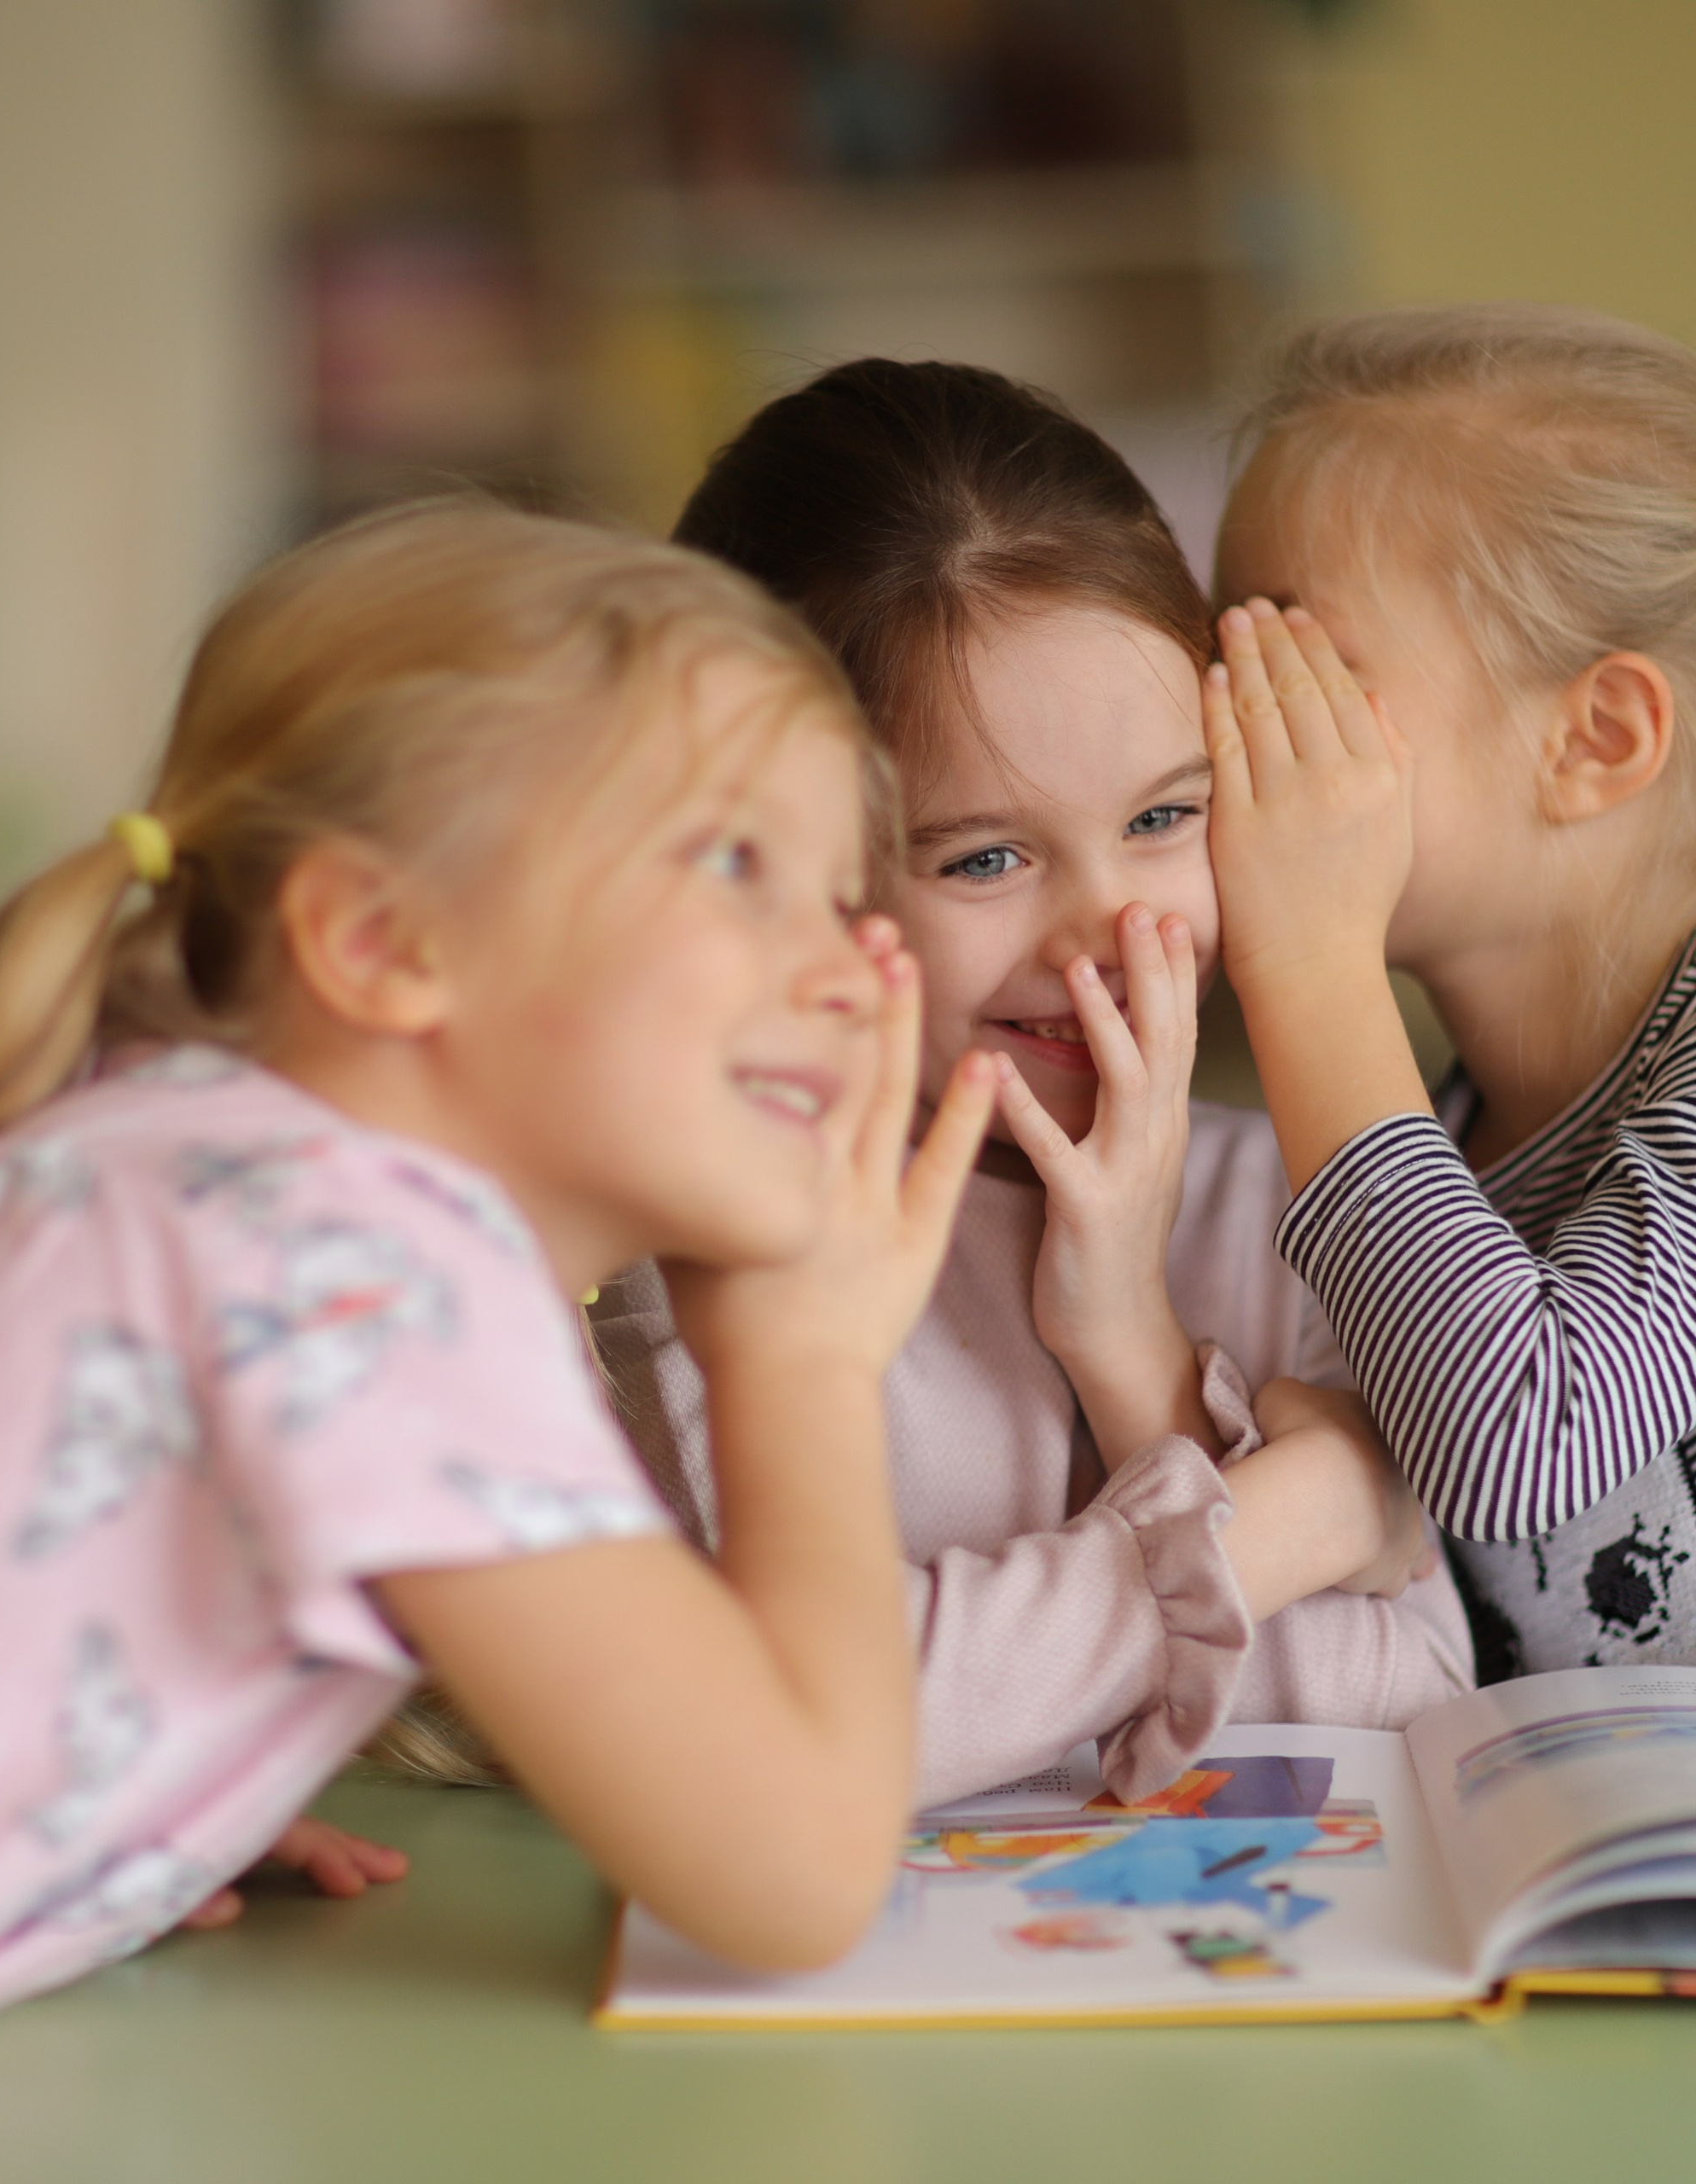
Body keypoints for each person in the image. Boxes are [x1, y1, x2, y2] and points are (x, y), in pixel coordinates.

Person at [0, 500, 1007, 2181]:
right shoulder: (360, 1262)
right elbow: (790, 1871)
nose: (854, 970)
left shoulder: (196, 1157)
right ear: (380, 944)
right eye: (736, 862)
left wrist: (135, 1780)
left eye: (840, 889)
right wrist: (798, 1359)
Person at [596, 357, 1467, 1810]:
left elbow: (1412, 1700)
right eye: (982, 858)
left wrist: (1130, 1344)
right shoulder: (712, 1245)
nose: (1106, 938)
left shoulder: (1300, 1192)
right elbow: (828, 1725)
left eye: (1161, 818)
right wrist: (1296, 1519)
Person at [1208, 305, 1696, 1678]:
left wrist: (1307, 961)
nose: (1227, 719)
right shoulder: (1451, 1127)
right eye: (1222, 654)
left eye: (1304, 666)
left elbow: (1521, 1442)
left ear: (1596, 740)